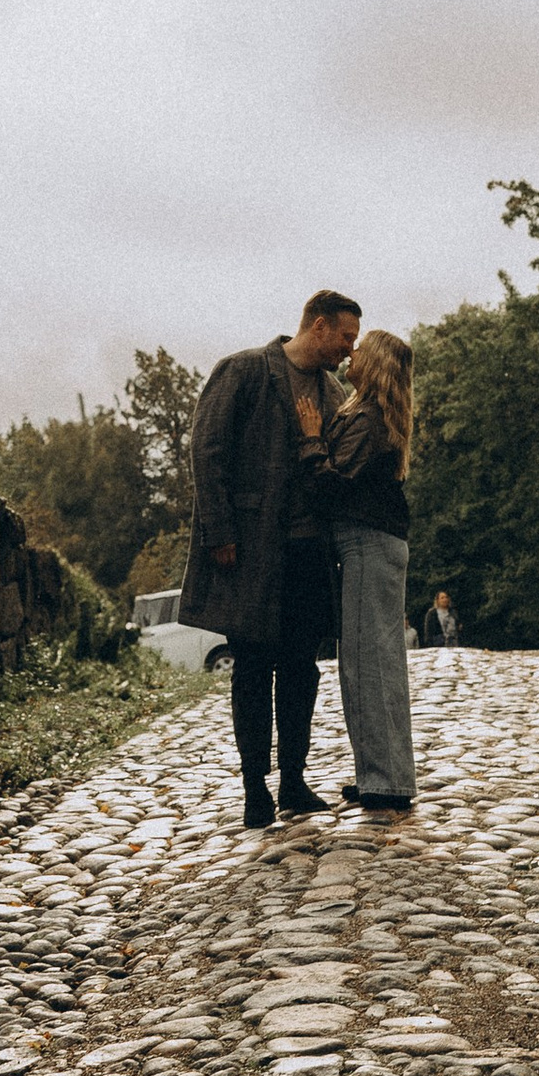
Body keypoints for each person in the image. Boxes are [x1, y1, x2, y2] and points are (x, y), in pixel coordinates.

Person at [179, 293, 360, 828]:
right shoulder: (242, 370)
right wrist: (219, 530)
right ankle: (254, 787)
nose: (350, 351)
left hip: (310, 553)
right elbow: (206, 449)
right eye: (345, 338)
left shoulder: (333, 393)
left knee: (301, 670)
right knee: (253, 667)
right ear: (319, 325)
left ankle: (293, 782)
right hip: (249, 548)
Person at [324, 331, 416, 814]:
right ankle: (385, 773)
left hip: (368, 543)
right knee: (378, 660)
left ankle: (385, 780)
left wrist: (305, 442)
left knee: (368, 663)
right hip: (378, 543)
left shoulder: (369, 419)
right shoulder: (371, 414)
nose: (351, 353)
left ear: (374, 361)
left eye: (361, 348)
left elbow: (333, 483)